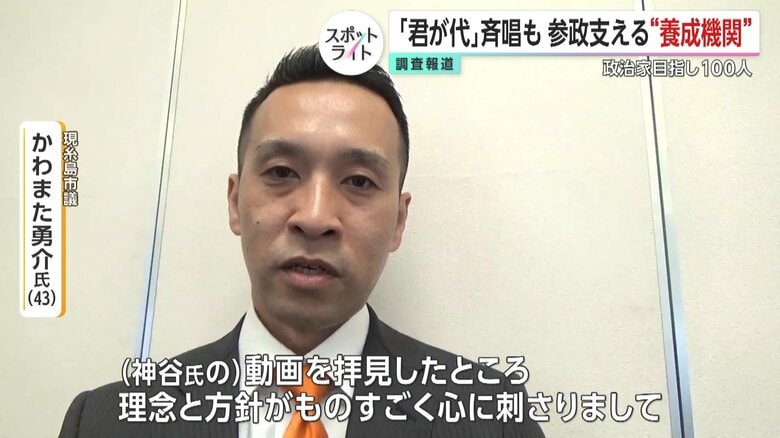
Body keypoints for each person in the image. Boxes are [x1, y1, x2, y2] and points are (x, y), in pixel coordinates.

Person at [59, 45, 545, 438]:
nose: (314, 218)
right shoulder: (105, 422)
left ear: (398, 221)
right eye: (281, 172)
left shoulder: (491, 419)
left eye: (358, 181)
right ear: (235, 202)